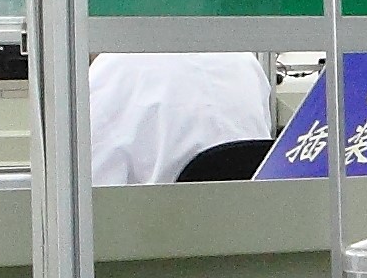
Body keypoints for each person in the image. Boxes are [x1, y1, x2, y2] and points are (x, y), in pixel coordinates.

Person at [86, 51, 275, 184]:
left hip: (160, 225)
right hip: (255, 222)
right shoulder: (242, 58)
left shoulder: (113, 73)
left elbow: (89, 196)